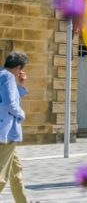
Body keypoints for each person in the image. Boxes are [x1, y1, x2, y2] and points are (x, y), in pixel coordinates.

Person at [0, 51, 29, 202]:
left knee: (16, 171)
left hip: (6, 132)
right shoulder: (8, 77)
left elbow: (8, 97)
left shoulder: (2, 74)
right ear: (18, 67)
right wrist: (22, 114)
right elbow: (10, 104)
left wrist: (20, 85)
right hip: (7, 133)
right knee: (1, 176)